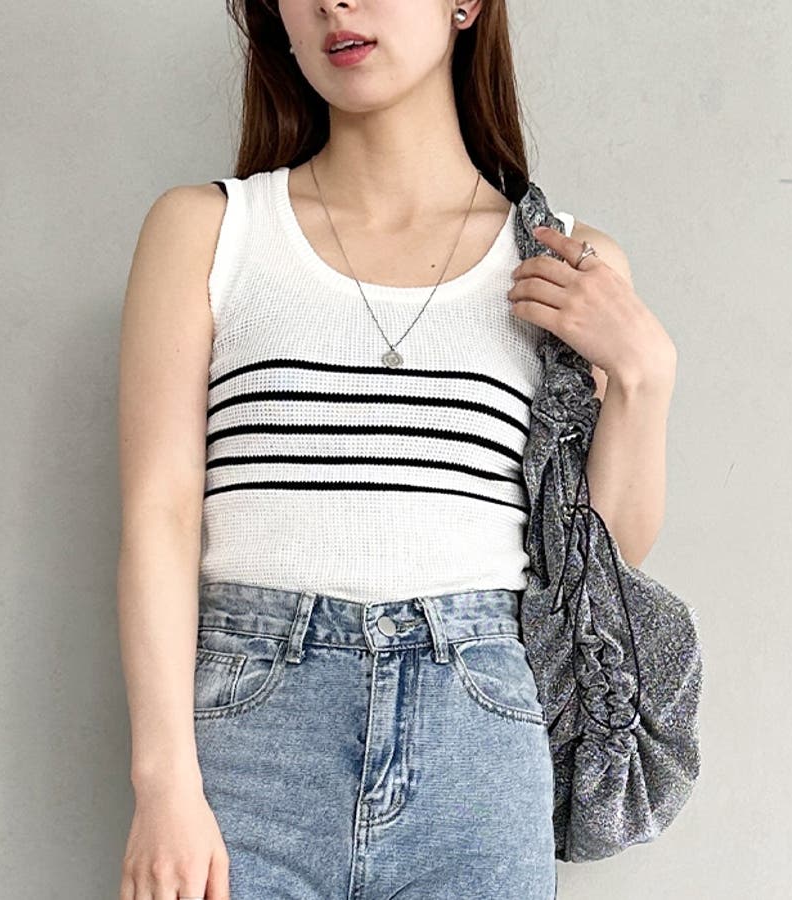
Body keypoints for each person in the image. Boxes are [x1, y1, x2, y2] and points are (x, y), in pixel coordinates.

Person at [116, 1, 676, 898]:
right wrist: (164, 787)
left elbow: (599, 568)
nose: (334, 3)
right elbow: (160, 514)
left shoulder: (564, 264)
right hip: (250, 742)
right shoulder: (211, 230)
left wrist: (644, 376)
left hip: (478, 738)